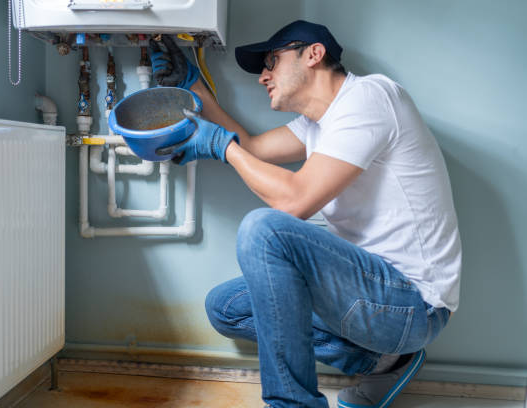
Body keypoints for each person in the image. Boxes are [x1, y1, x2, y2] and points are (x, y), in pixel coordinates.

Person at [149, 20, 462, 408]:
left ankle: (292, 404)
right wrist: (194, 87)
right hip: (366, 292)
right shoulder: (318, 125)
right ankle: (385, 362)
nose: (263, 76)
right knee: (226, 309)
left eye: (271, 61)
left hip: (411, 305)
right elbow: (252, 146)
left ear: (313, 54)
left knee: (265, 229)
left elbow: (294, 201)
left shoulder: (369, 97)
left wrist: (222, 148)